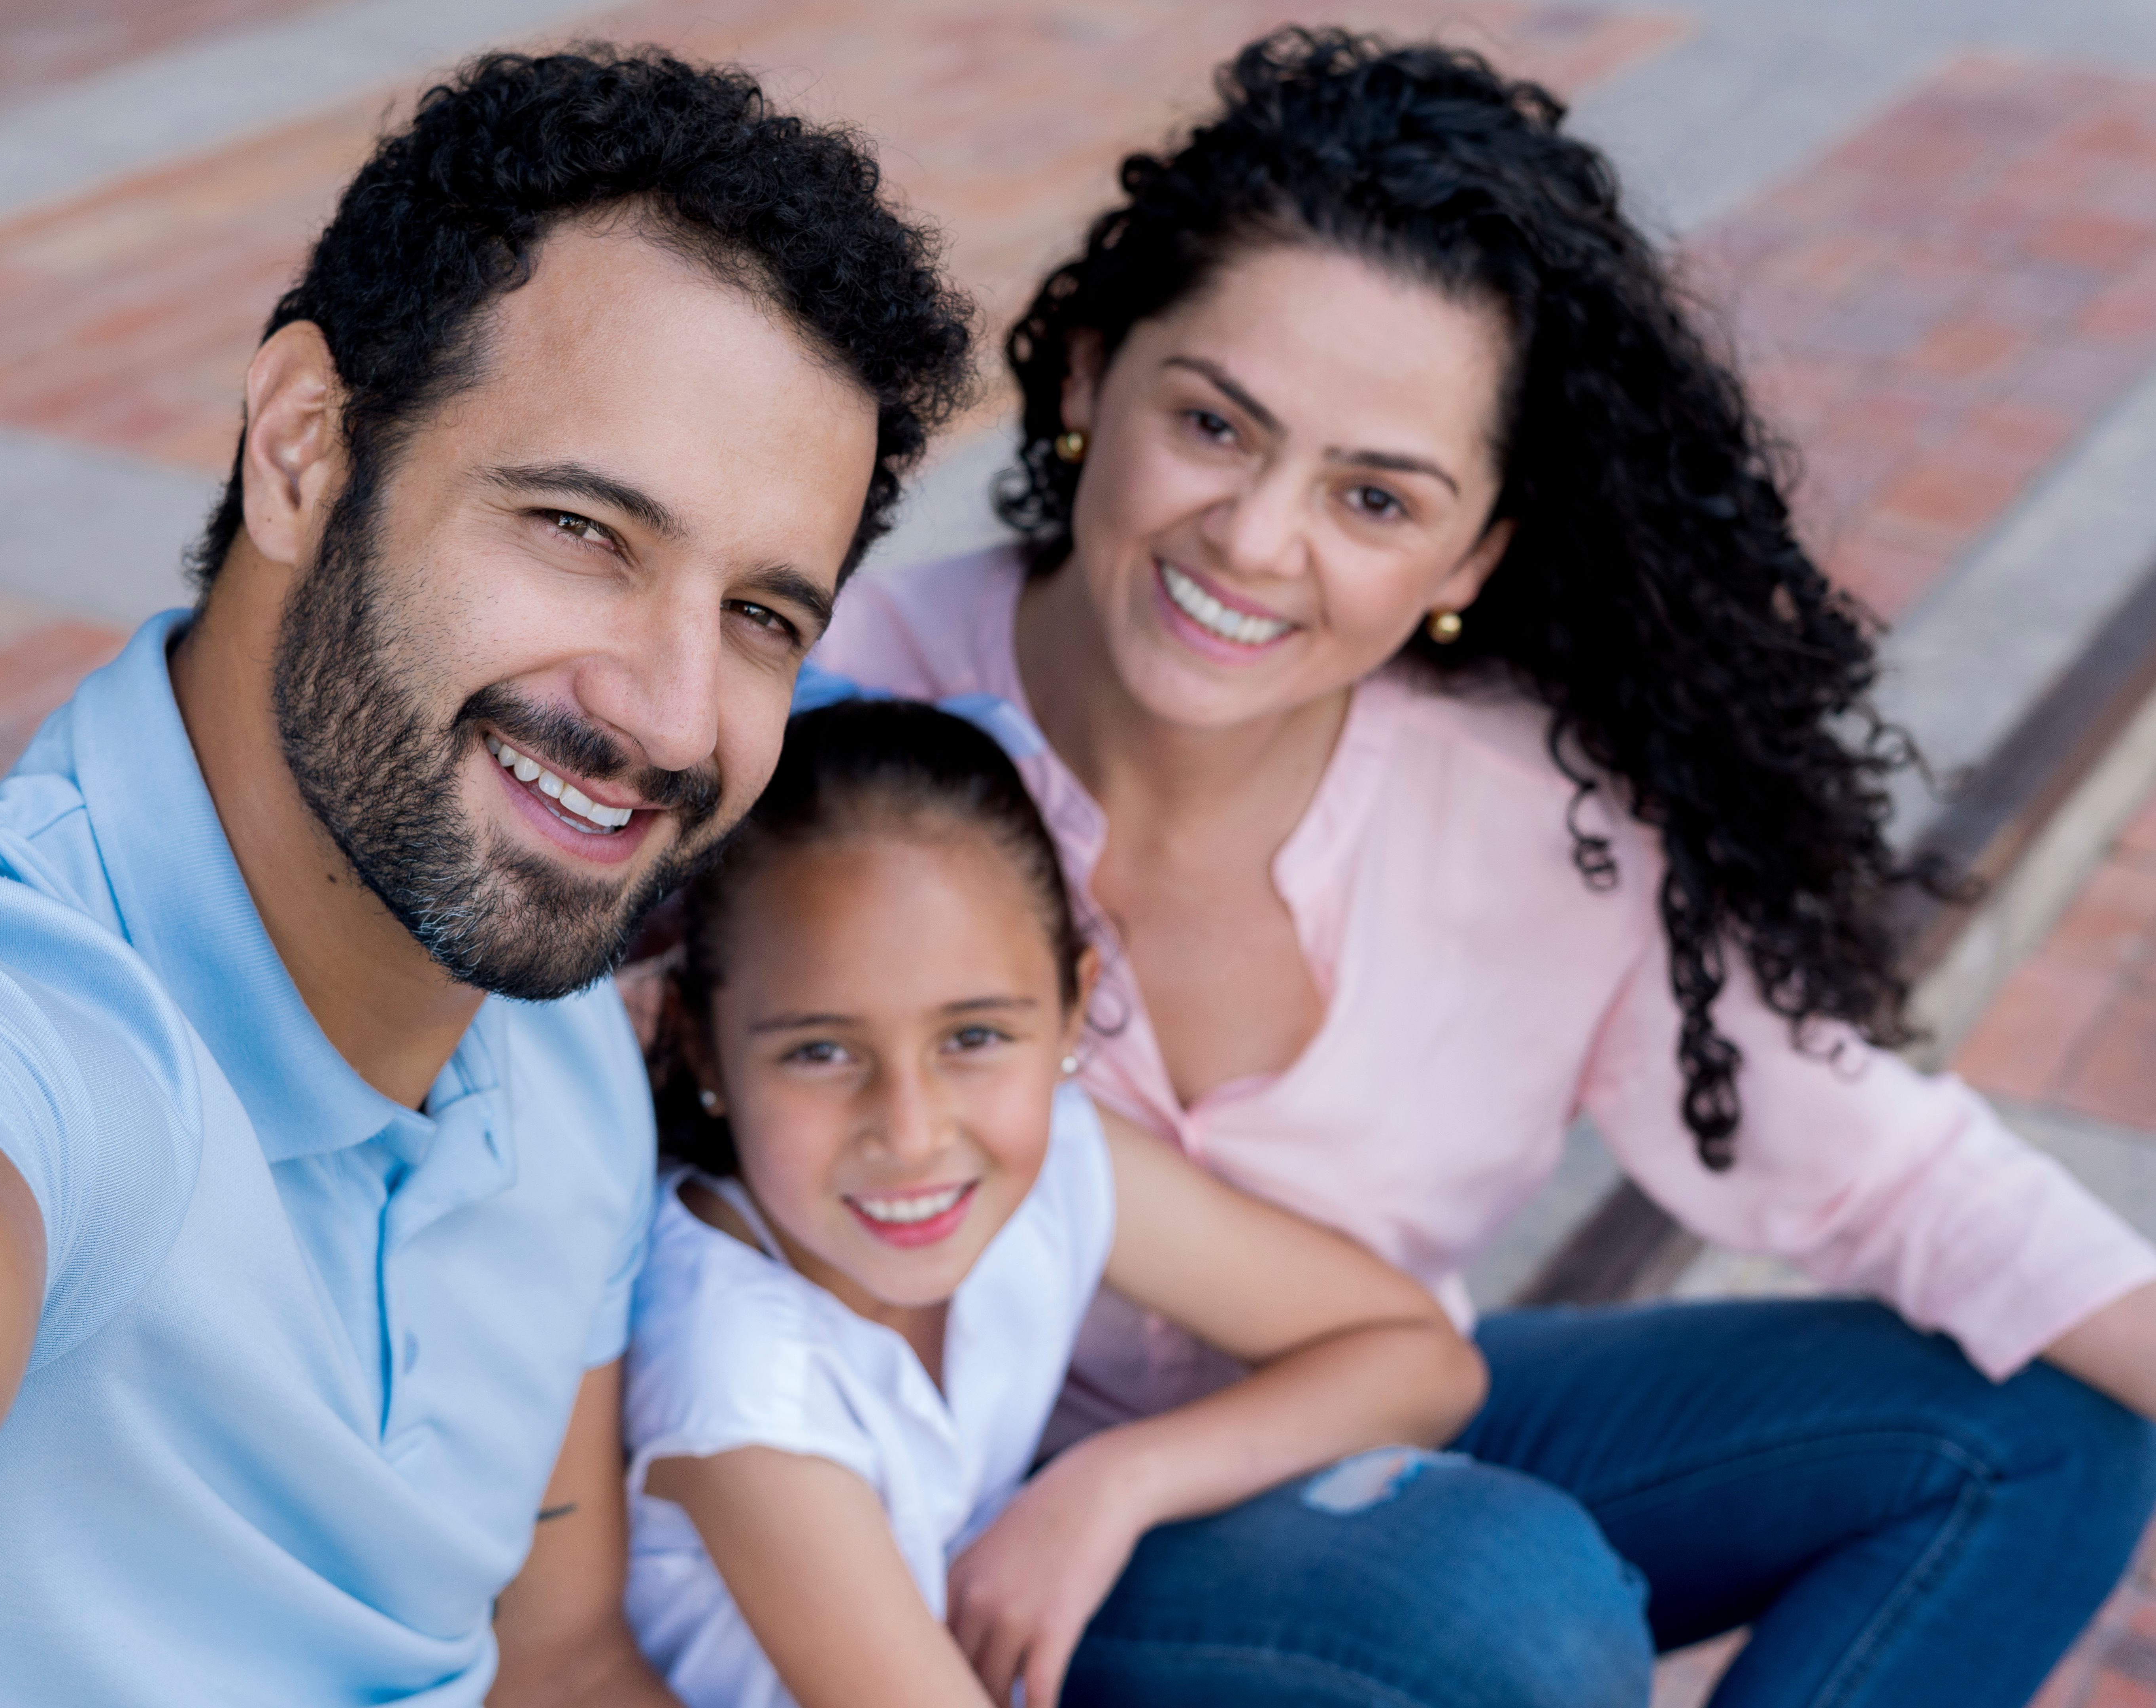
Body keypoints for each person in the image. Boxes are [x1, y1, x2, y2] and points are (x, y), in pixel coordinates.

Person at [0, 45, 971, 1706]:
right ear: (305, 446)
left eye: (760, 615)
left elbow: (555, 1659)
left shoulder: (559, 1067)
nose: (669, 716)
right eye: (577, 531)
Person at [811, 26, 2156, 1708]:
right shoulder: (838, 716)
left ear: (1472, 549)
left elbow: (1888, 1177)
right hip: (911, 1529)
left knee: (2039, 1430)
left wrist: (1143, 1471)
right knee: (1498, 1621)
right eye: (1215, 424)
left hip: (1353, 1414)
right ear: (1088, 376)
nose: (1254, 538)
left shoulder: (1543, 814)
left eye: (1373, 498)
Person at [618, 698, 1494, 1708]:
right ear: (700, 1045)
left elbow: (1423, 1359)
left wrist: (1107, 1487)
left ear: (1073, 1009)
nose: (911, 1133)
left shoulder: (1057, 1155)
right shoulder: (738, 1373)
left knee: (1493, 1590)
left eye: (973, 1038)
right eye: (820, 1051)